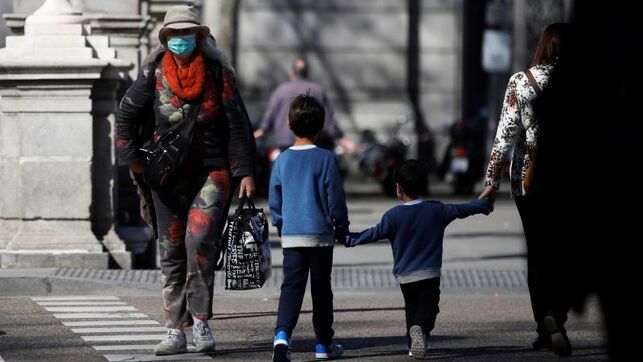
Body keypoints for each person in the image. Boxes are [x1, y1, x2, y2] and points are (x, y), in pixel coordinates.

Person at [115, 5, 255, 356]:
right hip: (166, 177)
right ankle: (175, 329)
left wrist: (245, 172)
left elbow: (237, 125)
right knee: (171, 250)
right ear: (165, 39)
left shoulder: (217, 73)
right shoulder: (153, 73)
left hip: (212, 171)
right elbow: (126, 115)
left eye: (186, 33)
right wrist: (132, 161)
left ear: (200, 36)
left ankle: (201, 321)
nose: (180, 39)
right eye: (174, 34)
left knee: (201, 242)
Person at [478, 23, 572, 356]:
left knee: (538, 251)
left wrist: (491, 182)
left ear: (544, 46)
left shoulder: (522, 81)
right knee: (566, 251)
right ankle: (556, 316)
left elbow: (505, 135)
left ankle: (545, 322)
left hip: (529, 180)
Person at [344, 159, 491, 359]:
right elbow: (462, 210)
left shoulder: (393, 216)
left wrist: (350, 238)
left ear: (398, 188)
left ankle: (413, 345)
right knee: (429, 308)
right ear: (425, 185)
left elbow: (373, 233)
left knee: (411, 308)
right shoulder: (437, 209)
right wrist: (482, 205)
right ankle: (420, 329)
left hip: (405, 275)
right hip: (429, 273)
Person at [268, 94, 348, 362]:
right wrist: (342, 225)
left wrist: (280, 223)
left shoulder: (281, 160)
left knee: (291, 287)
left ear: (289, 125)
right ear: (321, 126)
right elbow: (335, 198)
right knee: (321, 290)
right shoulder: (326, 159)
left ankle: (282, 337)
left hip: (292, 235)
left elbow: (274, 200)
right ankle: (324, 344)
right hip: (320, 235)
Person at [254, 58, 354, 152]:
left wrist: (261, 130)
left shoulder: (280, 91)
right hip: (310, 143)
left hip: (285, 143)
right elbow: (329, 120)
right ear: (307, 73)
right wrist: (341, 138)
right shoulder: (317, 90)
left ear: (292, 73)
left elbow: (269, 115)